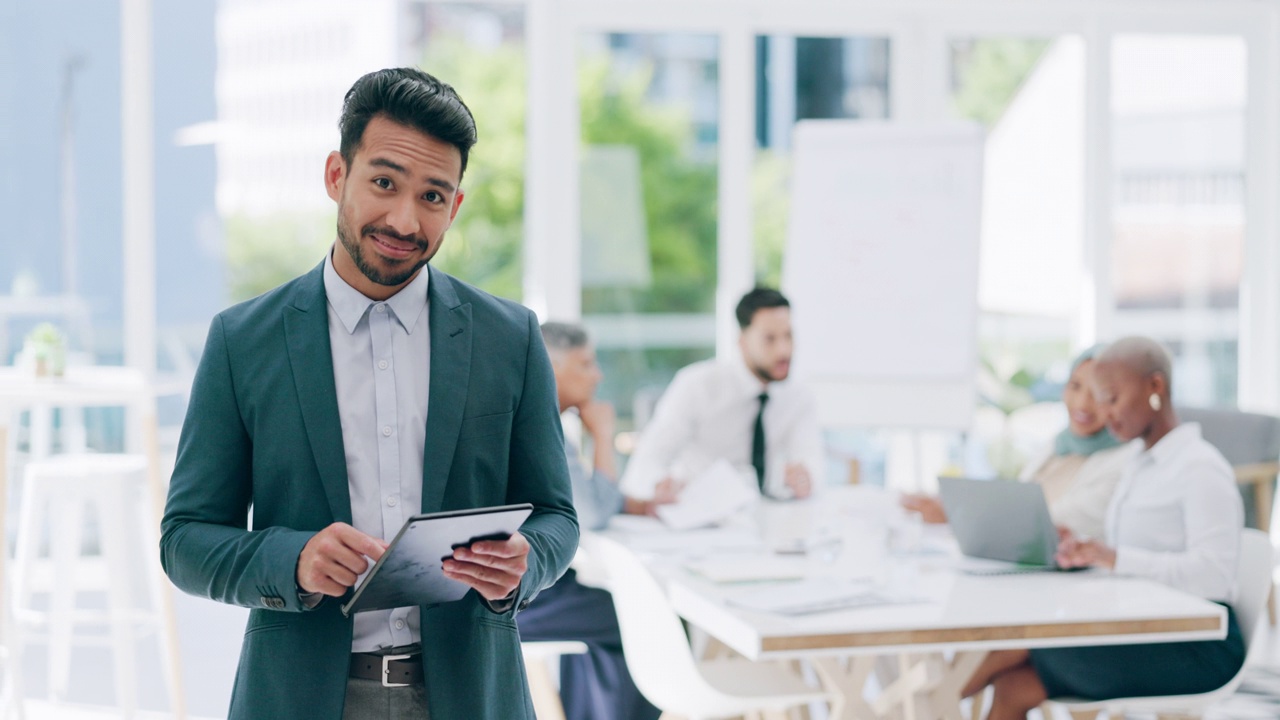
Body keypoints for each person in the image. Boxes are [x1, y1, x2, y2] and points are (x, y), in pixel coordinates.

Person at [159, 67, 578, 720]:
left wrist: (529, 561)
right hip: (298, 698)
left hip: (471, 696)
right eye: (384, 183)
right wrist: (291, 559)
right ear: (337, 176)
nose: (405, 219)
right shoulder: (243, 340)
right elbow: (184, 541)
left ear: (455, 206)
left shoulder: (510, 337)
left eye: (433, 196)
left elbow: (558, 517)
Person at [960, 336, 1245, 720]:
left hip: (1197, 644)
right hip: (1144, 626)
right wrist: (1089, 551)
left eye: (1111, 398)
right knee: (1014, 684)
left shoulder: (1200, 468)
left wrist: (1114, 557)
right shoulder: (1139, 464)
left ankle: (932, 706)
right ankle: (934, 704)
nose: (1105, 413)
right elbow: (1133, 555)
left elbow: (1212, 578)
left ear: (1155, 387)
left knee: (1018, 645)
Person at [517, 322, 671, 720]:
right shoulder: (538, 422)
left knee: (605, 610)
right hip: (520, 596)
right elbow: (593, 515)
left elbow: (592, 500)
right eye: (585, 363)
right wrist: (603, 434)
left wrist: (634, 503)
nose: (598, 375)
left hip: (528, 584)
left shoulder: (545, 420)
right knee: (636, 616)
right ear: (550, 367)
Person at [901, 345, 1136, 539]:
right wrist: (951, 502)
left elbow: (1053, 522)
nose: (1082, 404)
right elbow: (1017, 499)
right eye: (1075, 387)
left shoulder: (1126, 462)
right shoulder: (1059, 445)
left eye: (1098, 393)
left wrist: (955, 514)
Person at [619, 287, 821, 500]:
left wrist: (805, 480)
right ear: (742, 342)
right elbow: (647, 462)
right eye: (769, 339)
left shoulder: (798, 396)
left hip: (761, 514)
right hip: (697, 511)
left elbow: (811, 463)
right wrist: (659, 486)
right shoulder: (697, 385)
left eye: (788, 336)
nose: (783, 350)